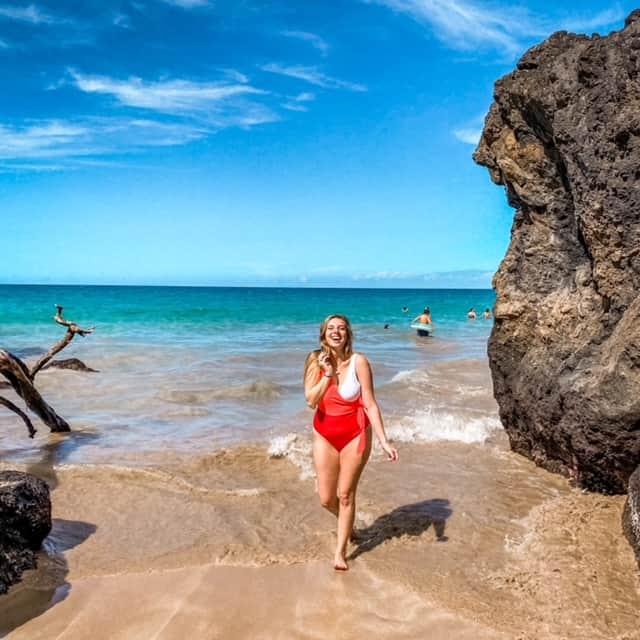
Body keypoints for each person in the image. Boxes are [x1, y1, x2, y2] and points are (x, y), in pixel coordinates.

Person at [304, 314, 398, 571]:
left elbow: (369, 402)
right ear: (323, 335)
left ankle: (340, 552)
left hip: (355, 434)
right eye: (331, 328)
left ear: (348, 335)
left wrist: (384, 440)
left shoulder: (360, 362)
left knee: (345, 495)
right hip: (324, 434)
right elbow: (311, 401)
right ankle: (349, 525)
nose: (336, 332)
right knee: (326, 499)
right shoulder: (314, 361)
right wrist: (327, 375)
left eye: (341, 328)